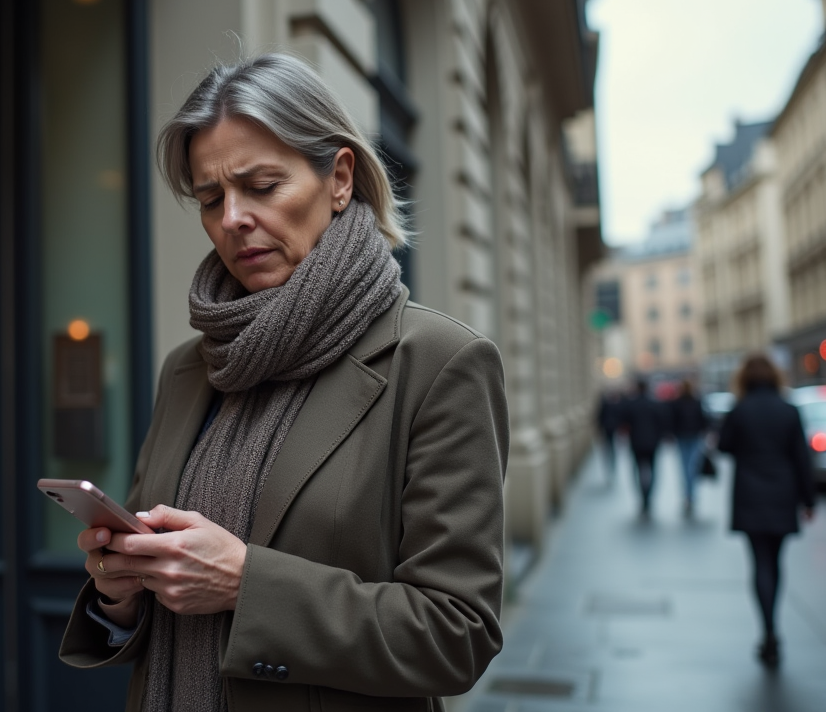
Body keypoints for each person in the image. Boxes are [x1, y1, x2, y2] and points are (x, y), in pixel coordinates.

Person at [57, 53, 511, 710]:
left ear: (340, 179)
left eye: (262, 186)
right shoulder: (188, 369)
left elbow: (456, 634)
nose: (232, 218)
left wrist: (247, 585)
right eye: (211, 198)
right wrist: (120, 593)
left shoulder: (439, 364)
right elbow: (152, 599)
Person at [717, 354, 815, 669]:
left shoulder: (739, 410)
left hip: (749, 493)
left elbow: (723, 446)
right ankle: (773, 628)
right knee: (775, 561)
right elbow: (802, 457)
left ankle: (768, 630)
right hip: (783, 493)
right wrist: (809, 500)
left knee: (759, 563)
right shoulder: (789, 411)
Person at [620, 377, 668, 518]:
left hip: (636, 443)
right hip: (652, 443)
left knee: (637, 470)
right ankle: (649, 497)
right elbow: (663, 424)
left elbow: (624, 424)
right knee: (652, 470)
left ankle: (642, 496)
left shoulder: (631, 404)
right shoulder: (655, 404)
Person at [668, 379, 709, 518]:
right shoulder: (696, 401)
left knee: (685, 466)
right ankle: (690, 494)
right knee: (692, 465)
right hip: (694, 436)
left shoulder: (677, 402)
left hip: (683, 437)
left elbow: (672, 420)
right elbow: (703, 419)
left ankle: (688, 494)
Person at [596, 388, 623, 481]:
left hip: (608, 428)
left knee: (609, 446)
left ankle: (610, 462)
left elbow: (599, 417)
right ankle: (612, 462)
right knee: (611, 446)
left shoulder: (606, 404)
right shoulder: (616, 405)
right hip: (611, 428)